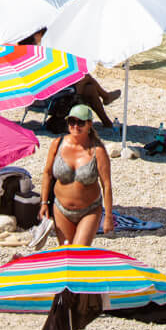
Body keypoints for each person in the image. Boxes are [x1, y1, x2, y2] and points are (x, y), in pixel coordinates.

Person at [39, 105, 114, 246]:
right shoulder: (57, 144)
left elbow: (107, 185)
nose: (75, 126)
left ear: (89, 124)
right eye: (72, 122)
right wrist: (43, 203)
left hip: (89, 210)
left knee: (80, 253)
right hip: (61, 208)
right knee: (66, 251)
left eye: (80, 122)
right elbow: (47, 174)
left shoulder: (98, 151)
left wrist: (109, 216)